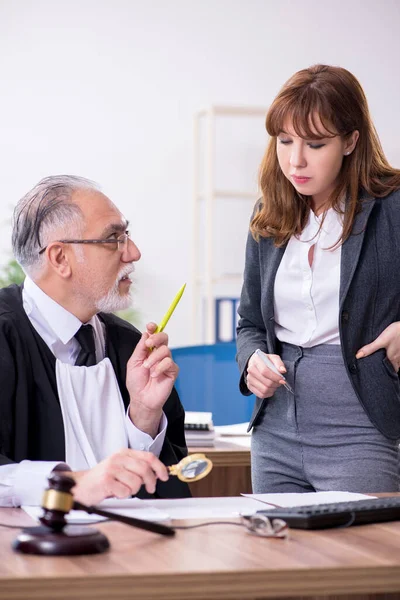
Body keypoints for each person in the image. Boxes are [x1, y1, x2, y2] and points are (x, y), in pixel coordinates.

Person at [236, 64, 400, 494]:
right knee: (276, 557)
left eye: (315, 143)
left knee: (362, 559)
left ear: (350, 141)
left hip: (361, 427)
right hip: (275, 431)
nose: (295, 160)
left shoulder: (392, 207)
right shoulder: (267, 214)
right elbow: (250, 324)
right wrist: (252, 361)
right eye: (285, 140)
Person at [0, 175, 190, 506]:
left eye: (126, 235)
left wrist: (143, 416)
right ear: (60, 258)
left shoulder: (129, 344)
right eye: (113, 238)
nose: (133, 252)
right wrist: (69, 485)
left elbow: (170, 477)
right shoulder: (5, 337)